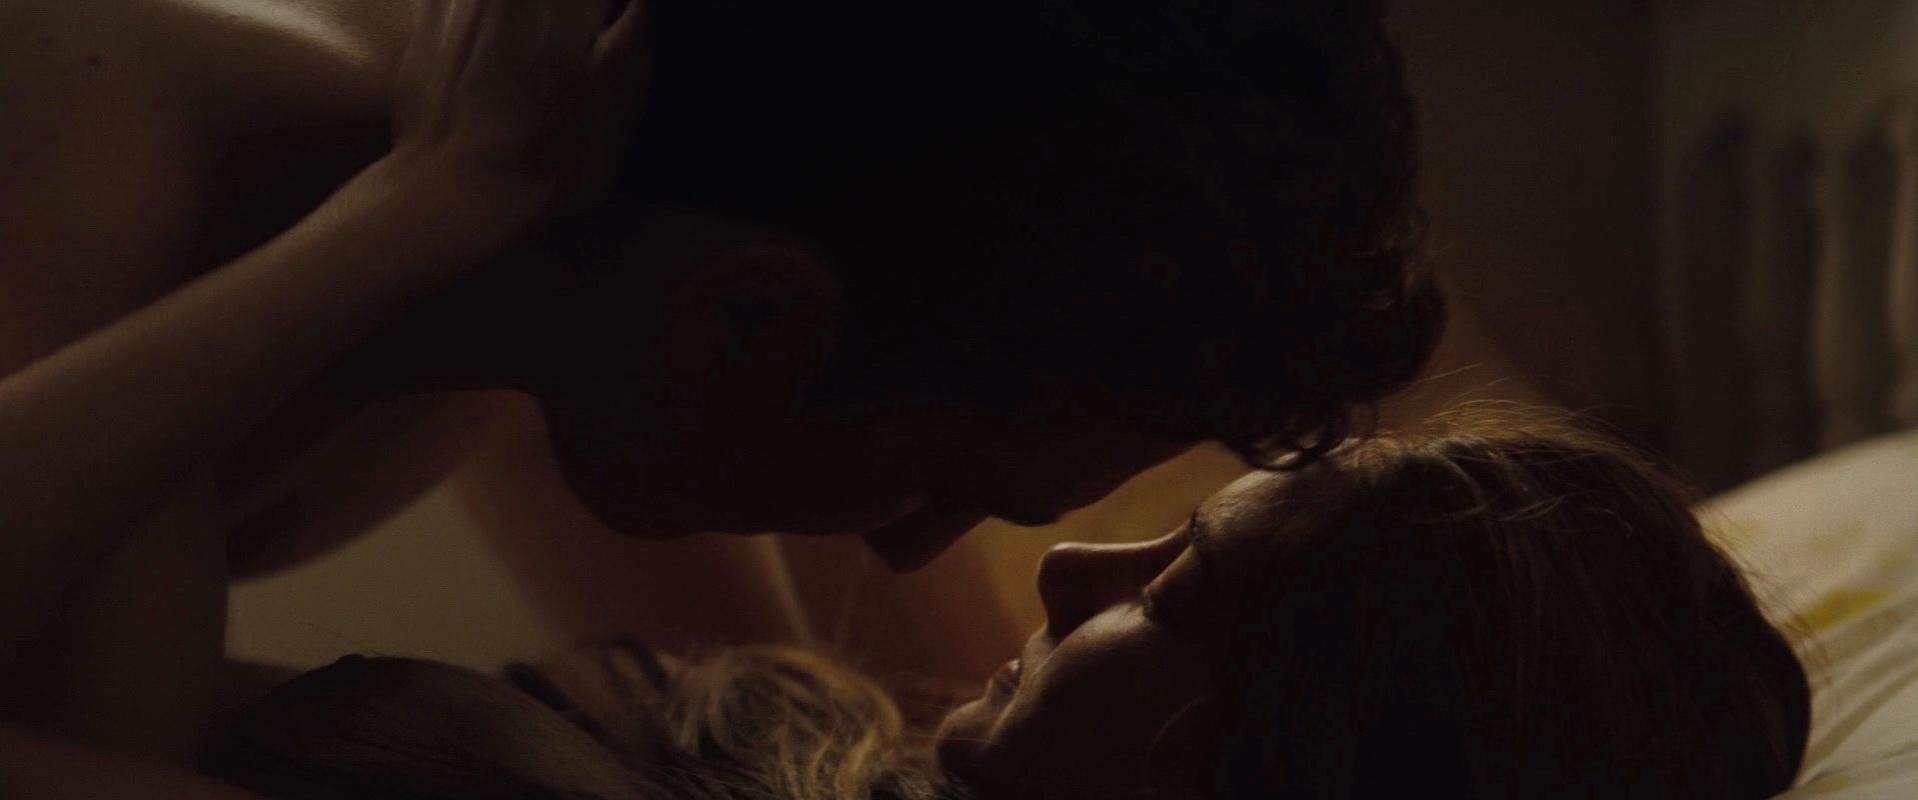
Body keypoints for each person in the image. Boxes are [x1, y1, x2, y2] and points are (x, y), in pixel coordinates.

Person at [0, 0, 1437, 768]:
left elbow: (826, 747)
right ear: (746, 319)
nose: (903, 551)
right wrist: (426, 204)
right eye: (938, 487)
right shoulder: (95, 194)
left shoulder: (533, 306)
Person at [191, 425, 1810, 799]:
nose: (1066, 563)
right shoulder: (886, 731)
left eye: (1174, 589)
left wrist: (426, 212)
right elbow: (568, 420)